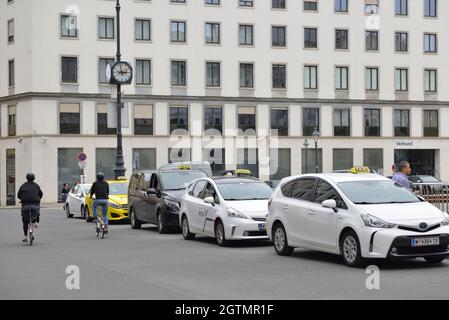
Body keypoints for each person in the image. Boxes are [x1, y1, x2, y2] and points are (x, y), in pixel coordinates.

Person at [17, 173, 43, 243]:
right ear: (34, 178)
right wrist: (38, 198)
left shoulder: (23, 185)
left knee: (25, 220)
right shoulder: (36, 185)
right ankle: (36, 222)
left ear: (26, 178)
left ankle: (25, 236)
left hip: (25, 205)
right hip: (35, 204)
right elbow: (40, 194)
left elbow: (18, 195)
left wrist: (22, 198)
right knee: (37, 214)